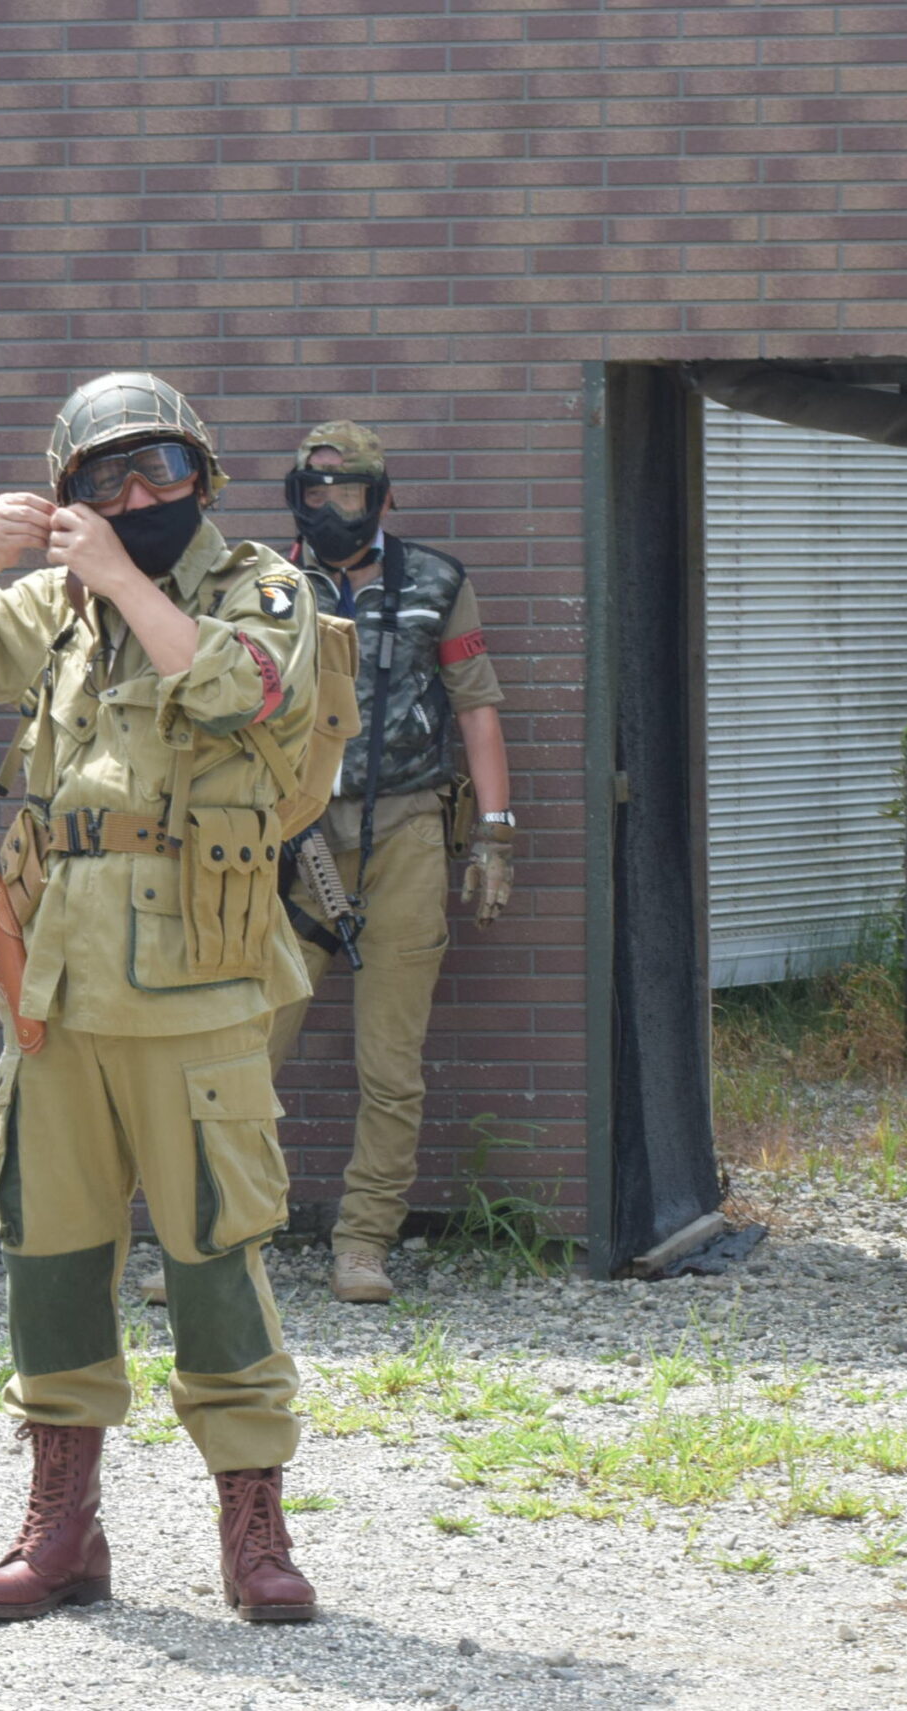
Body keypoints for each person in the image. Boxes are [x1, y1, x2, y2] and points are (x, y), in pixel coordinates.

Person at [0, 374, 324, 1624]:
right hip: (56, 989)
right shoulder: (55, 608)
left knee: (214, 1251)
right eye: (103, 478)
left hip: (195, 985)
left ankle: (254, 1528)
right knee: (51, 1253)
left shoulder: (260, 589)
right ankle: (61, 1524)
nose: (134, 495)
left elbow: (240, 689)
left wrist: (123, 576)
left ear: (203, 477)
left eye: (158, 470)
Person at [263, 421, 514, 1302]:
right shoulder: (262, 586)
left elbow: (475, 706)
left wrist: (496, 833)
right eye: (316, 487)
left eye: (350, 487)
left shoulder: (436, 582)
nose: (332, 503)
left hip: (405, 832)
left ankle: (364, 1241)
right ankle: (216, 1243)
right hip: (289, 841)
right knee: (244, 1052)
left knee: (391, 1064)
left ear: (384, 495)